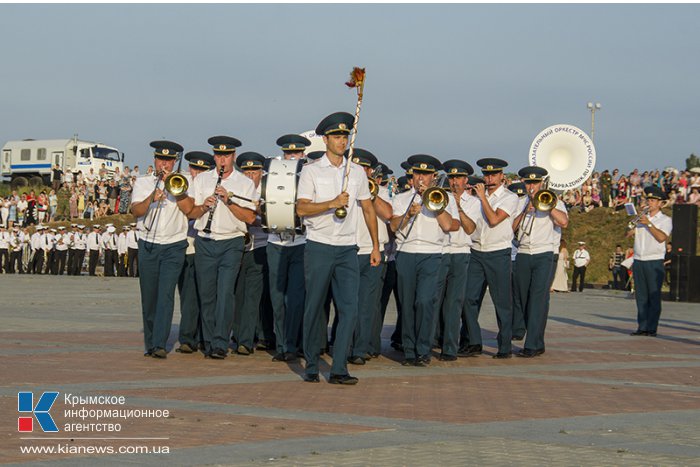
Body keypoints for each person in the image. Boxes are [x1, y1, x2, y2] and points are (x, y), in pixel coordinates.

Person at [296, 112, 380, 384]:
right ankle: (310, 363)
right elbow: (301, 208)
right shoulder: (311, 170)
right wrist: (330, 203)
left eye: (345, 136)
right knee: (314, 307)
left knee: (349, 309)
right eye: (336, 137)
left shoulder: (355, 172)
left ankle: (339, 368)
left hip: (347, 249)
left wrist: (376, 246)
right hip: (319, 246)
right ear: (325, 140)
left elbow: (368, 209)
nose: (342, 141)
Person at [186, 136, 257, 359]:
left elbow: (250, 217)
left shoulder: (244, 183)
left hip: (232, 241)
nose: (222, 160)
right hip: (205, 240)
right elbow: (191, 213)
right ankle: (209, 340)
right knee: (207, 294)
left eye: (226, 156)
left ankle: (220, 342)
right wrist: (204, 207)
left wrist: (229, 201)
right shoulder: (202, 180)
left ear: (233, 156)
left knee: (226, 293)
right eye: (218, 155)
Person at [130, 140, 192, 359]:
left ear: (175, 162)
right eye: (160, 159)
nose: (164, 164)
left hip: (174, 245)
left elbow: (190, 210)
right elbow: (136, 211)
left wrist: (176, 190)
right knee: (149, 296)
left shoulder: (183, 181)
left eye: (168, 160)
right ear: (155, 160)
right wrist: (152, 197)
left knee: (166, 295)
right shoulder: (143, 182)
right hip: (148, 243)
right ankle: (150, 341)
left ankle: (159, 344)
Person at [462, 158, 519, 358]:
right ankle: (474, 341)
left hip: (498, 252)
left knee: (502, 302)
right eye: (486, 175)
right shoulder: (475, 197)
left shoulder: (510, 197)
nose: (489, 178)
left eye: (494, 174)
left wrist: (482, 198)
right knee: (468, 299)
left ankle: (505, 346)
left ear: (502, 176)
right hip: (476, 250)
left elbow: (494, 220)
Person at [511, 166, 569, 357]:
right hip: (524, 252)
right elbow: (511, 228)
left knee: (538, 298)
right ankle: (530, 335)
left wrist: (547, 206)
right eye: (528, 183)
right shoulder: (519, 202)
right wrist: (524, 212)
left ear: (542, 183)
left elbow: (564, 222)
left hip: (545, 254)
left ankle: (533, 344)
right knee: (522, 297)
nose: (532, 186)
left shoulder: (554, 201)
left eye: (535, 183)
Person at [268, 134, 311, 362]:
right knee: (277, 297)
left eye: (296, 153)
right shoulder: (272, 175)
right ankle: (282, 344)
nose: (292, 156)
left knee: (295, 298)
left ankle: (293, 344)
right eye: (288, 153)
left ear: (303, 155)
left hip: (301, 242)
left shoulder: (310, 175)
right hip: (276, 242)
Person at [347, 148, 392, 364]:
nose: (360, 171)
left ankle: (360, 349)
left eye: (364, 168)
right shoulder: (344, 189)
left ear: (370, 171)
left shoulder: (380, 191)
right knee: (347, 303)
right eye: (356, 167)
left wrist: (370, 193)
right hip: (348, 250)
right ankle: (345, 345)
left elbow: (389, 214)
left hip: (372, 252)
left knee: (366, 304)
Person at [435, 160, 477, 361]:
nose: (454, 182)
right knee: (434, 300)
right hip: (441, 251)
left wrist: (459, 208)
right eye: (451, 178)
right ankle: (432, 340)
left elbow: (469, 229)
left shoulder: (474, 202)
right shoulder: (440, 197)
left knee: (453, 302)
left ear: (466, 180)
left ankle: (449, 348)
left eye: (458, 178)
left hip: (460, 253)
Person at [175, 151, 214, 354]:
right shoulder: (182, 185)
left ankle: (204, 335)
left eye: (201, 169)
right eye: (194, 168)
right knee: (189, 294)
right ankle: (188, 337)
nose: (196, 172)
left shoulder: (210, 184)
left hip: (208, 244)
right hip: (188, 244)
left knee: (207, 293)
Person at [231, 151, 269, 356]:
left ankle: (245, 340)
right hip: (239, 246)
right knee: (238, 294)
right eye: (246, 171)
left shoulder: (267, 193)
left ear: (261, 173)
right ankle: (237, 335)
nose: (250, 176)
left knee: (253, 296)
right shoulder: (236, 190)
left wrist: (255, 214)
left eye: (254, 172)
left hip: (260, 246)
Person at [628, 186, 673, 337]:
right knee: (641, 296)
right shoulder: (641, 218)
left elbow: (661, 237)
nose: (650, 203)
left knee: (653, 296)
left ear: (661, 203)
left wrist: (648, 223)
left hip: (654, 261)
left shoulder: (665, 220)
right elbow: (628, 232)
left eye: (654, 201)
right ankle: (642, 326)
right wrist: (634, 226)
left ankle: (651, 327)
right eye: (649, 200)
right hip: (639, 259)